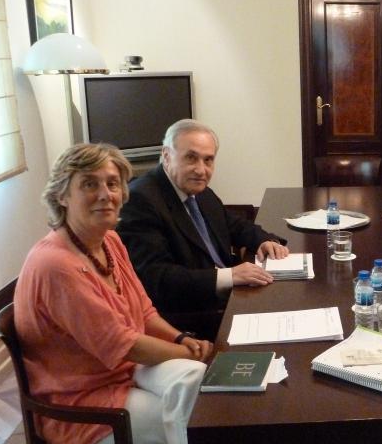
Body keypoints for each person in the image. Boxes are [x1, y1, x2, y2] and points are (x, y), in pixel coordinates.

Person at [13, 144, 292, 444]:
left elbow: (142, 311)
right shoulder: (56, 263)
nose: (105, 193)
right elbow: (123, 344)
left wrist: (182, 340)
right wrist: (190, 350)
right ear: (62, 194)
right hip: (82, 402)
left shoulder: (108, 241)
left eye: (112, 183)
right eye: (89, 184)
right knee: (204, 411)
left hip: (120, 375)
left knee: (201, 383)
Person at [117, 119, 288, 315]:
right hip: (193, 313)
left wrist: (263, 240)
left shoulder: (199, 190)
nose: (201, 170)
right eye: (191, 158)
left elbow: (233, 224)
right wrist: (229, 276)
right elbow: (157, 277)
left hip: (231, 297)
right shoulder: (140, 199)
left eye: (208, 160)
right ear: (166, 155)